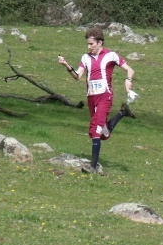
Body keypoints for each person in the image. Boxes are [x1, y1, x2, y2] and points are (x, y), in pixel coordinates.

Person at [58, 26, 136, 175]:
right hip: (91, 98)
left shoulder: (111, 55)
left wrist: (128, 80)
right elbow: (77, 76)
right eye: (87, 44)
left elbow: (130, 70)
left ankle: (92, 167)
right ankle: (122, 112)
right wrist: (66, 65)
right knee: (103, 133)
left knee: (95, 128)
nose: (89, 47)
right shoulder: (85, 58)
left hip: (105, 96)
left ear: (100, 43)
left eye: (91, 44)